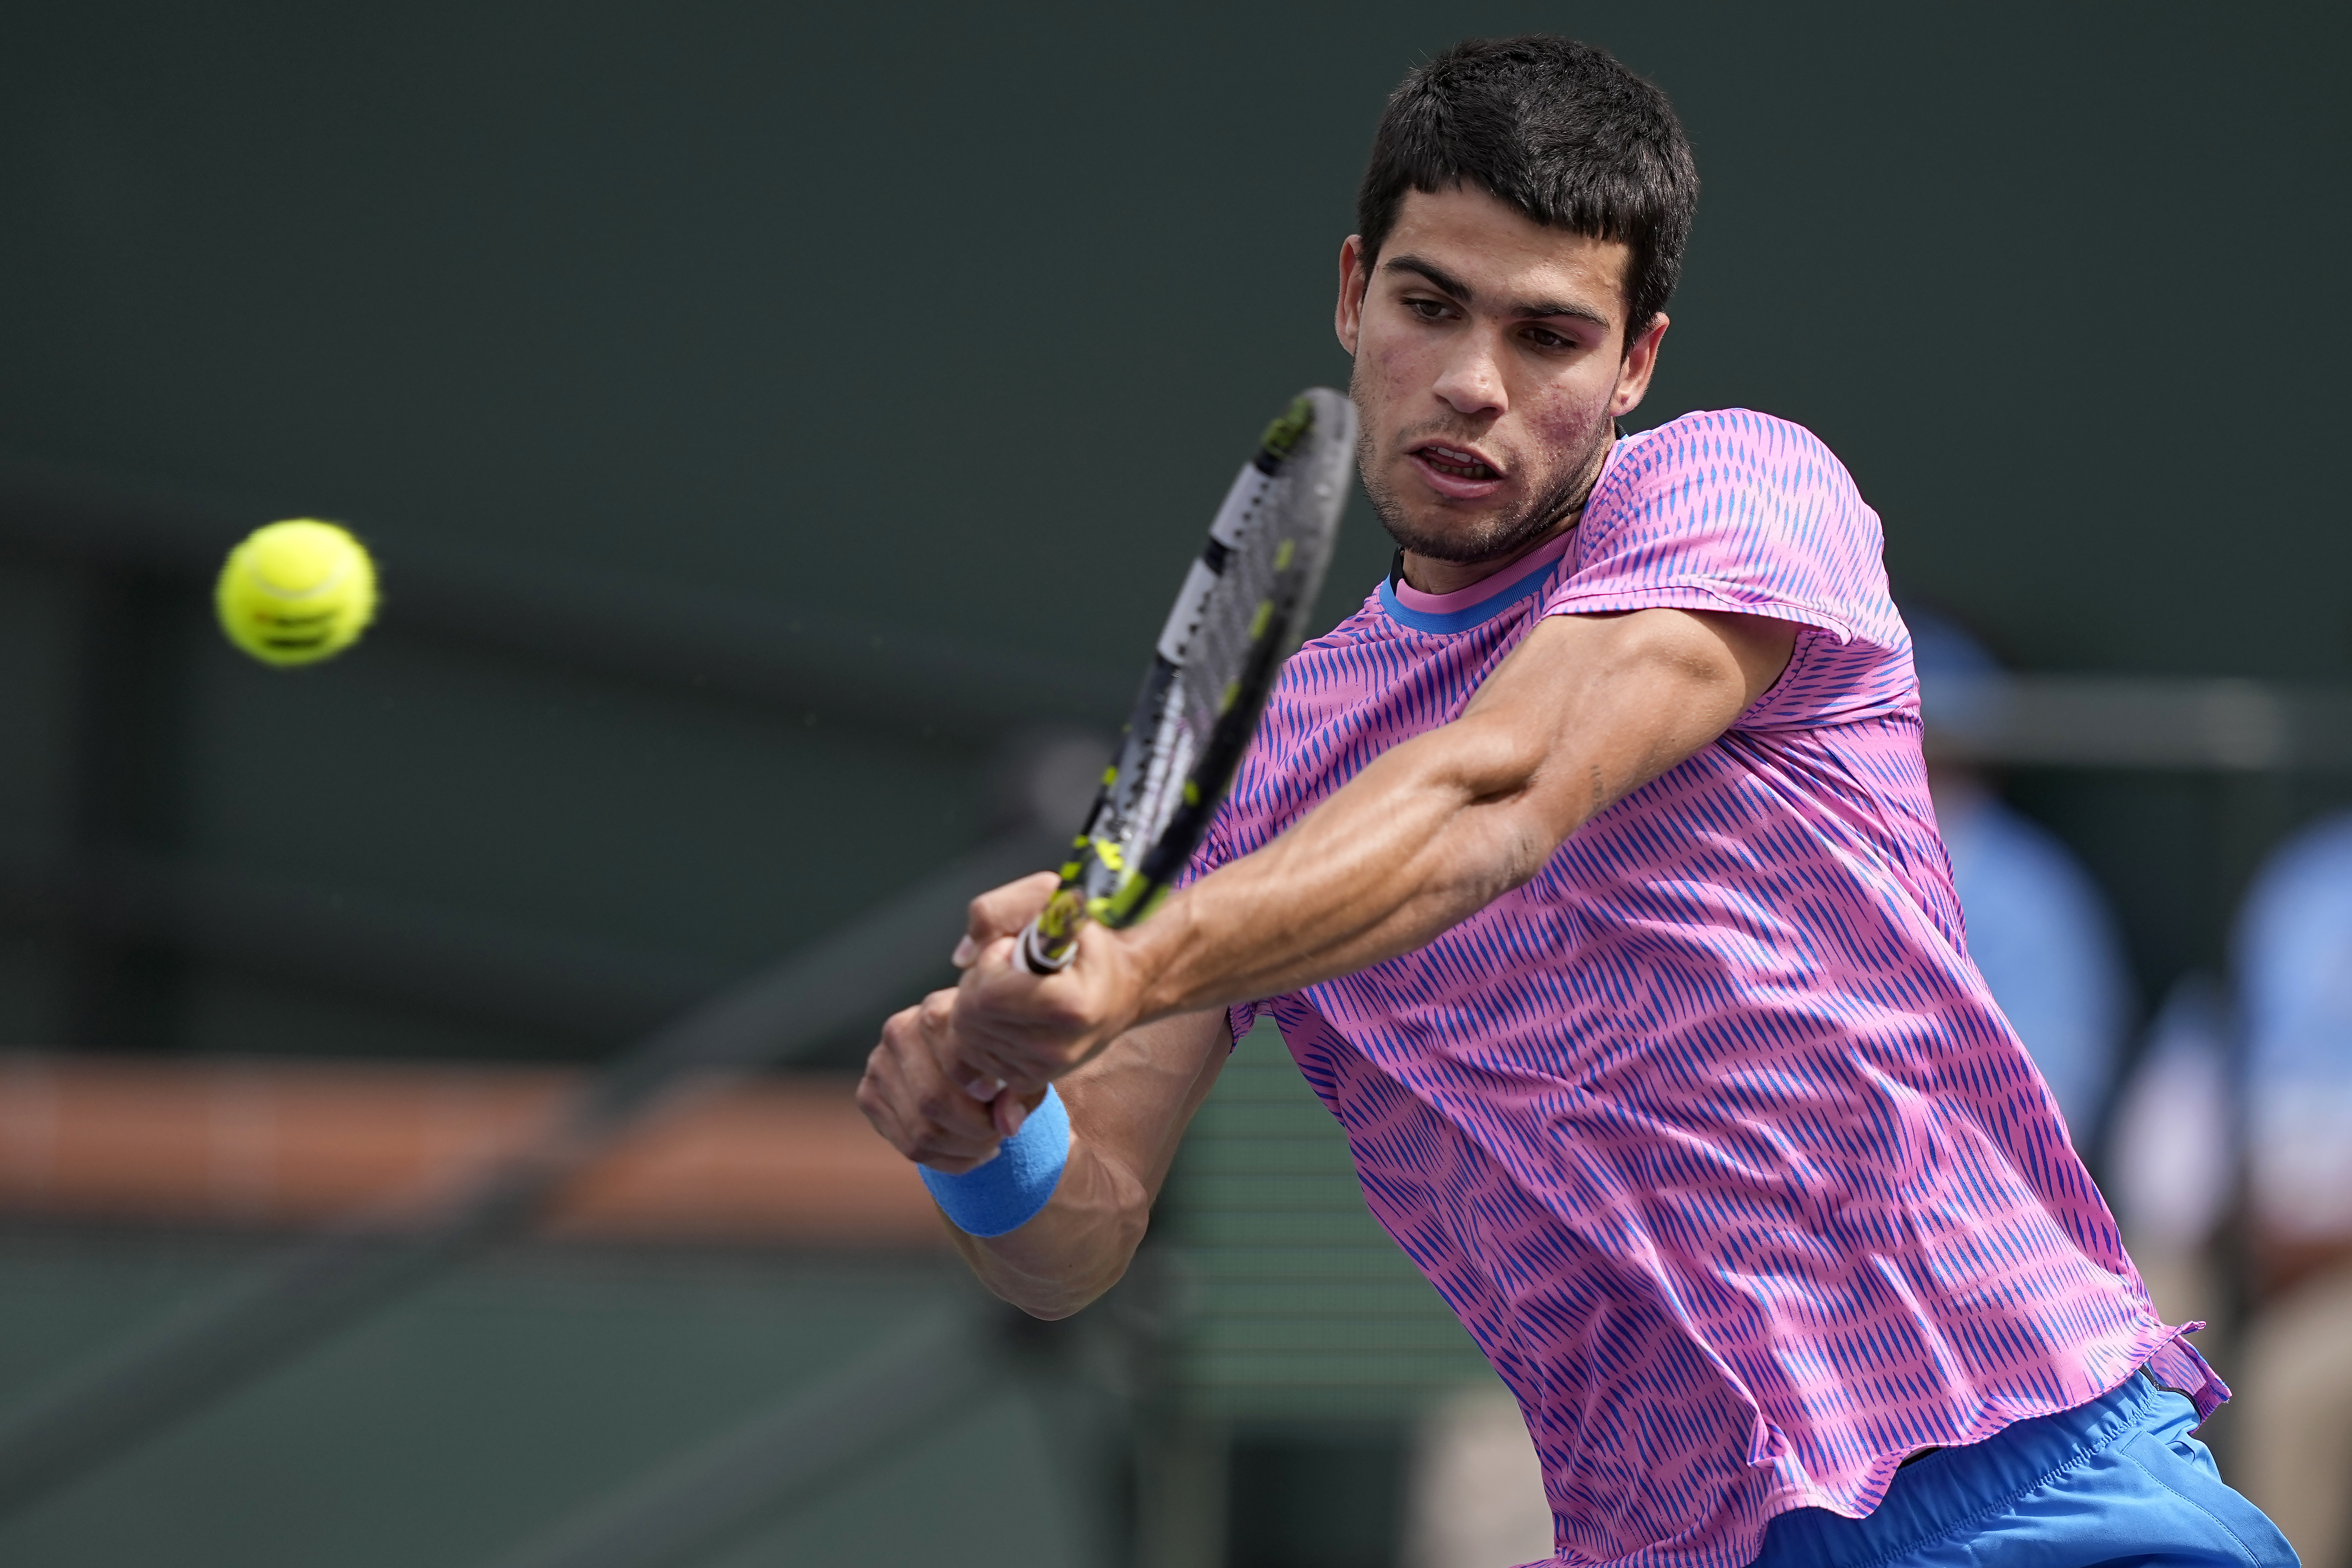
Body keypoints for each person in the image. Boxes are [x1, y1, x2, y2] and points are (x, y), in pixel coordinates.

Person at [859, 36, 2293, 1568]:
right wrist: (983, 1122)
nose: (1474, 383)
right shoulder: (1255, 771)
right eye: (1429, 307)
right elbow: (1082, 1234)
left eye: (1548, 335)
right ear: (1355, 294)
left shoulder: (1741, 493)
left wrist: (1137, 954)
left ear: (1636, 363)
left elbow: (1503, 791)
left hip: (2032, 1483)